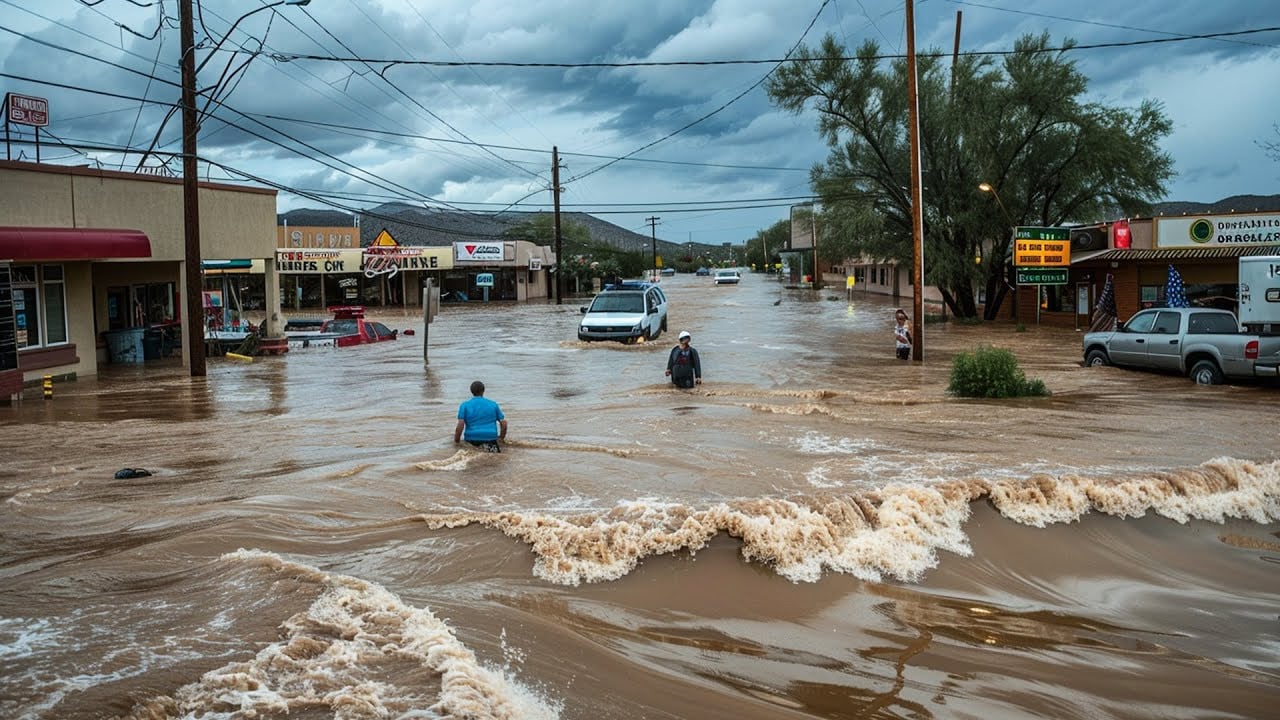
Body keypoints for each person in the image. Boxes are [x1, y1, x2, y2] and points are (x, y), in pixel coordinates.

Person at [454, 380, 507, 452]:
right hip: (490, 438)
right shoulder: (493, 404)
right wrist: (501, 438)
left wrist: (457, 441)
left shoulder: (465, 405)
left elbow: (460, 425)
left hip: (471, 439)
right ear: (483, 391)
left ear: (471, 391)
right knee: (493, 461)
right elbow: (504, 424)